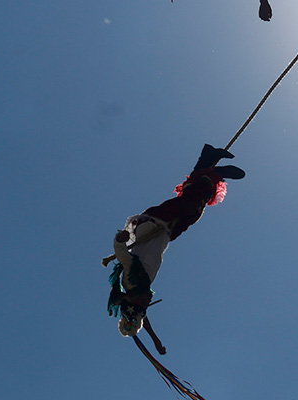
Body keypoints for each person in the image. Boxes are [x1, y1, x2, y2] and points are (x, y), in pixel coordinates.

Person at [104, 144, 245, 352]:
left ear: (128, 298)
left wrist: (120, 239)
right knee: (195, 211)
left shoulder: (131, 279)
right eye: (145, 307)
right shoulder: (142, 291)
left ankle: (212, 170)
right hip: (166, 232)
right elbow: (144, 317)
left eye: (143, 304)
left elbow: (123, 255)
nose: (148, 301)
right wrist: (155, 341)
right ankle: (207, 159)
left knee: (191, 203)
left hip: (154, 222)